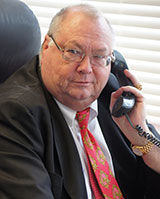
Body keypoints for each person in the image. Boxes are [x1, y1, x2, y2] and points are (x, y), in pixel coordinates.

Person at [0, 4, 159, 199]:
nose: (86, 68)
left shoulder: (113, 91)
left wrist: (141, 135)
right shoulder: (13, 114)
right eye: (74, 51)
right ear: (46, 46)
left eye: (99, 56)